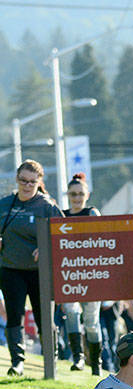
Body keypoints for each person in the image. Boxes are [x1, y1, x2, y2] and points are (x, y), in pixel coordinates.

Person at [1, 160, 63, 375]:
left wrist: (45, 248)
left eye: (32, 182)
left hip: (40, 272)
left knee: (44, 316)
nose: (27, 186)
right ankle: (17, 362)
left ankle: (50, 360)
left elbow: (65, 236)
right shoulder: (5, 204)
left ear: (39, 182)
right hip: (10, 267)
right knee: (14, 315)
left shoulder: (46, 206)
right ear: (17, 180)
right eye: (23, 181)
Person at [60, 173, 104, 373]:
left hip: (92, 273)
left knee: (92, 321)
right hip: (70, 274)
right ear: (68, 195)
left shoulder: (91, 213)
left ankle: (96, 362)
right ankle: (77, 357)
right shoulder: (62, 216)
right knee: (70, 312)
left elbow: (102, 237)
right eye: (73, 194)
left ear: (87, 195)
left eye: (80, 194)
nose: (76, 198)